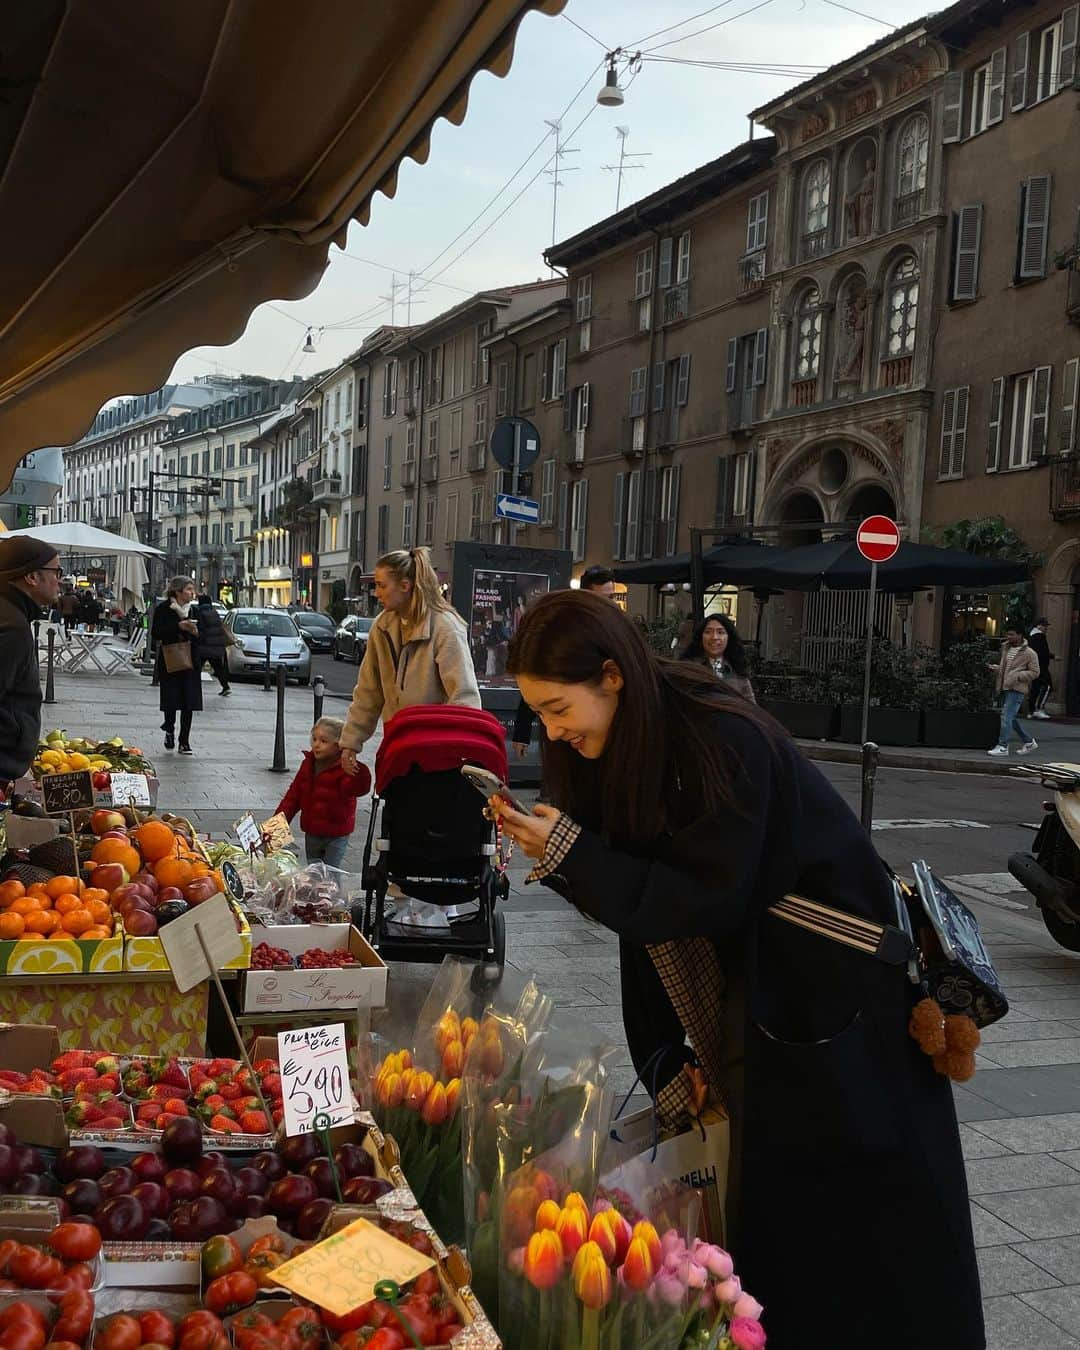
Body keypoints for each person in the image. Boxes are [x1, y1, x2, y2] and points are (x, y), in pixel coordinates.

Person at [489, 591, 983, 1350]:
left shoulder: (720, 738)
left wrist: (574, 856)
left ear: (613, 677)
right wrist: (667, 1061)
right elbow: (645, 906)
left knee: (863, 1233)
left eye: (559, 708)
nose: (552, 730)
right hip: (775, 1005)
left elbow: (695, 896)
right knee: (783, 1222)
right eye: (540, 714)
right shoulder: (629, 740)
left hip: (839, 1009)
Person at [339, 546, 480, 777]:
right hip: (398, 749)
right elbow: (368, 691)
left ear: (405, 586)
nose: (376, 593)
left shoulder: (444, 627)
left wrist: (457, 750)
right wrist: (350, 742)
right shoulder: (382, 627)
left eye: (382, 585)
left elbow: (464, 696)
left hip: (438, 758)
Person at [511, 565, 617, 757]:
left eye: (611, 599)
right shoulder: (565, 632)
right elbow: (537, 686)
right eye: (601, 599)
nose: (608, 606)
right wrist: (522, 734)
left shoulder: (619, 636)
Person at [0, 537, 64, 787]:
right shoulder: (12, 626)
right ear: (31, 577)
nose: (60, 579)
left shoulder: (11, 614)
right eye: (56, 571)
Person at [275, 717, 372, 868]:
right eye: (314, 739)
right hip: (312, 831)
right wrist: (276, 826)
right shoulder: (308, 764)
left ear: (339, 745)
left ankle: (333, 892)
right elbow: (293, 797)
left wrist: (357, 770)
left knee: (330, 875)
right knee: (314, 873)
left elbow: (358, 788)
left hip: (336, 833)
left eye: (323, 741)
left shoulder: (344, 768)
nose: (316, 745)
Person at [150, 576, 202, 755]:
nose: (191, 592)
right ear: (177, 591)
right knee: (171, 700)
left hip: (190, 661)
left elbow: (204, 636)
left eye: (192, 589)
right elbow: (156, 632)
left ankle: (184, 741)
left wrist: (195, 632)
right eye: (188, 589)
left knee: (189, 702)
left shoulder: (194, 611)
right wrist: (179, 626)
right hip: (170, 658)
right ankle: (170, 729)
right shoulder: (164, 609)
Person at [987, 627, 1040, 756]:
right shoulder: (1006, 649)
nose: (1008, 637)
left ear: (1020, 635)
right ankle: (1028, 742)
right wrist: (998, 669)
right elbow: (1007, 668)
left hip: (1017, 688)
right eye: (1007, 634)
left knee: (1006, 716)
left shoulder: (1029, 653)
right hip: (1005, 686)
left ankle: (1003, 746)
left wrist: (1018, 676)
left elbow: (1035, 672)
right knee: (1010, 717)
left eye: (1012, 634)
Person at [679, 613, 756, 702]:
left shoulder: (738, 672)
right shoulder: (689, 669)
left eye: (720, 632)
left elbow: (751, 709)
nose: (714, 637)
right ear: (701, 637)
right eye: (708, 632)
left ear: (729, 637)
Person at [194, 593, 232, 695]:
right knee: (219, 668)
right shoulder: (214, 613)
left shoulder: (200, 613)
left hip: (204, 647)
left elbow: (200, 630)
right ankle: (226, 687)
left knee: (196, 668)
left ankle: (193, 688)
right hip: (216, 647)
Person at [1028, 617, 1053, 719]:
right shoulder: (1040, 636)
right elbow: (1043, 652)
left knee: (1035, 688)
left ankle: (1031, 710)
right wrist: (1052, 656)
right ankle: (1039, 708)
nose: (1046, 628)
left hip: (1034, 665)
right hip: (1041, 667)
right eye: (1045, 626)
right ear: (1039, 625)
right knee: (1047, 686)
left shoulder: (1031, 636)